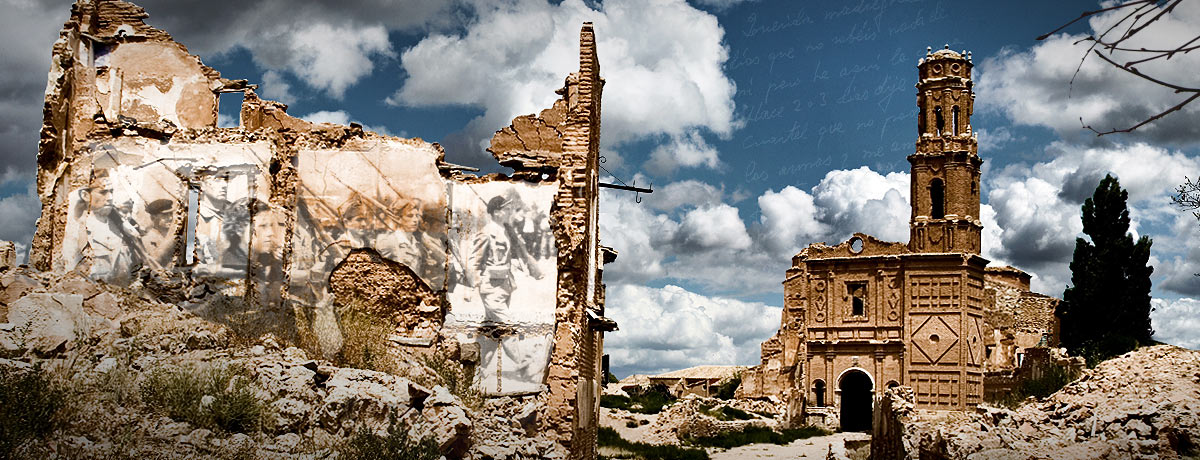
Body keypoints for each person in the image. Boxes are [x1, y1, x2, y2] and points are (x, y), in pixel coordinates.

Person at [142, 198, 176, 269]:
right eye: (165, 215)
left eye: (171, 214)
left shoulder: (174, 237)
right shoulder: (146, 241)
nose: (170, 218)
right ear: (153, 218)